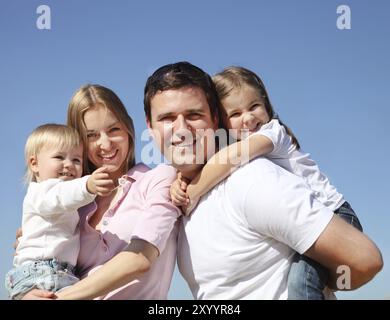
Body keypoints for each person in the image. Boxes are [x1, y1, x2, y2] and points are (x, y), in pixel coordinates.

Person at [144, 61, 383, 299]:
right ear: (150, 126)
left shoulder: (251, 179)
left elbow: (365, 259)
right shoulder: (173, 195)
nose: (182, 129)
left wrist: (316, 282)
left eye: (194, 115)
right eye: (167, 118)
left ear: (215, 119)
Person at [21, 84, 180, 300]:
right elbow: (39, 256)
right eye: (92, 135)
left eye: (114, 129)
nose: (105, 143)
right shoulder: (75, 204)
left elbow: (140, 259)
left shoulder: (158, 179)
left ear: (128, 129)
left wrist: (61, 299)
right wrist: (27, 293)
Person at [5, 123, 112, 299]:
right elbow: (62, 195)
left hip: (52, 272)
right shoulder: (42, 191)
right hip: (45, 272)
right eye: (59, 157)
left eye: (76, 160)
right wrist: (88, 185)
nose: (69, 164)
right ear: (34, 163)